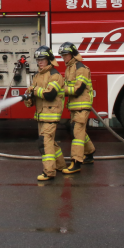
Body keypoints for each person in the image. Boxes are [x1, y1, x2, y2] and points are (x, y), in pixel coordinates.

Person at [22, 45, 66, 181]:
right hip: (41, 115)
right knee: (50, 142)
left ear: (49, 59)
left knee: (45, 142)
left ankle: (49, 172)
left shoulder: (55, 75)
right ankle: (60, 165)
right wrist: (28, 98)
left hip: (51, 115)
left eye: (42, 59)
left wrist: (34, 90)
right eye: (38, 59)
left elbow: (50, 94)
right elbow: (36, 96)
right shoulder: (37, 76)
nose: (40, 62)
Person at [58, 42, 95, 174]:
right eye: (62, 55)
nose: (63, 58)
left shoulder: (81, 68)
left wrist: (61, 90)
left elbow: (79, 89)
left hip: (82, 106)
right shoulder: (70, 68)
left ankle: (76, 162)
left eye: (65, 55)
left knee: (77, 134)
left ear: (72, 54)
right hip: (75, 106)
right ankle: (90, 153)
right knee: (79, 131)